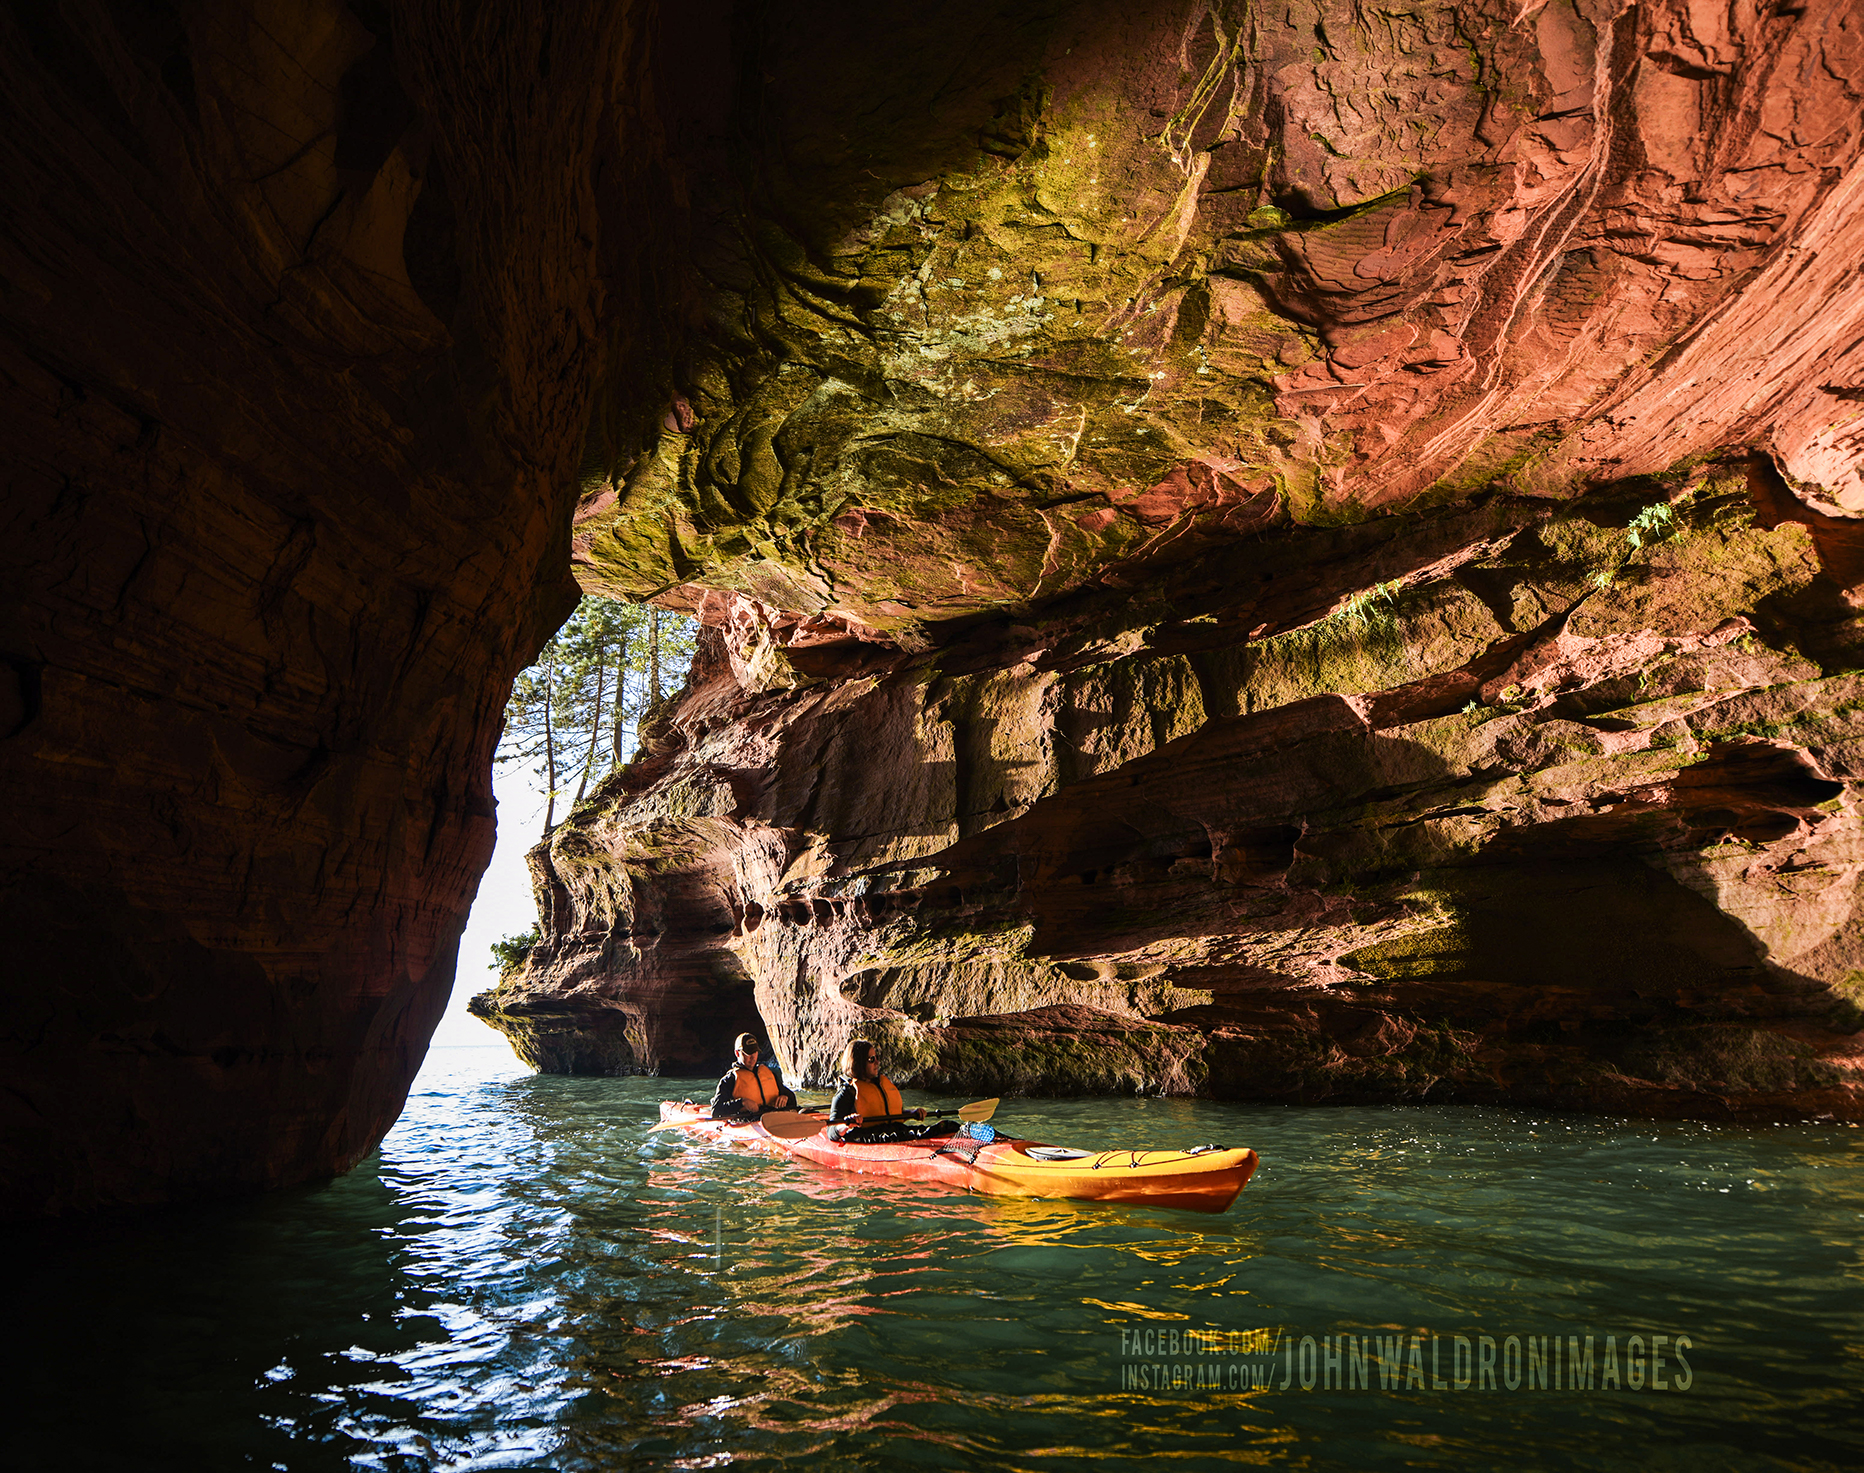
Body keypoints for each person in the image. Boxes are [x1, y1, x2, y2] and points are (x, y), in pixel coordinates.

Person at [826, 1039, 955, 1144]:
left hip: (894, 1130)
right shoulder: (846, 1092)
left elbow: (891, 1115)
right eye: (871, 1059)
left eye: (876, 1057)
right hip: (867, 1136)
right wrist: (847, 1124)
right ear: (858, 1063)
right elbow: (831, 1132)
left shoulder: (881, 1083)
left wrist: (911, 1113)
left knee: (947, 1126)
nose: (877, 1062)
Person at [709, 1033, 796, 1120]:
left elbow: (792, 1099)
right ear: (737, 1053)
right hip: (748, 1120)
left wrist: (785, 1097)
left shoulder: (769, 1074)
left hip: (772, 1118)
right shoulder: (729, 1080)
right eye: (748, 1053)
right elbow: (716, 1110)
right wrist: (741, 1103)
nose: (753, 1057)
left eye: (755, 1052)